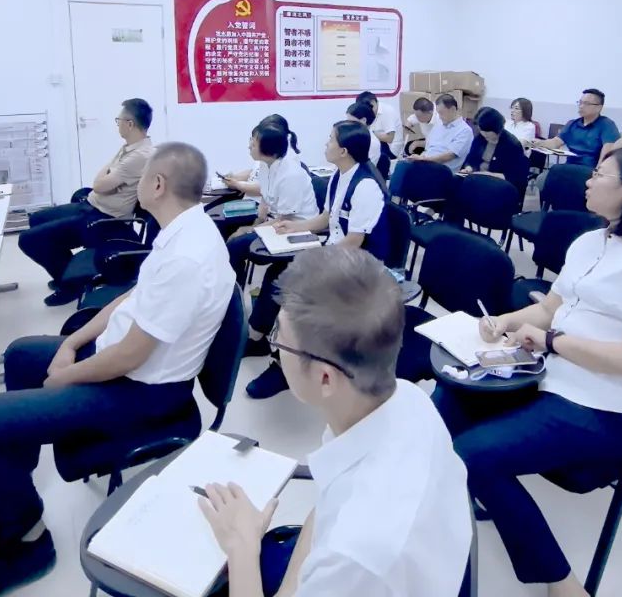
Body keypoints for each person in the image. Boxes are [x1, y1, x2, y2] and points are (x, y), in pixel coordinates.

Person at [0, 143, 236, 597]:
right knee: (20, 355)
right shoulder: (182, 230)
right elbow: (130, 299)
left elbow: (131, 356)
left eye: (142, 177)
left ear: (157, 185)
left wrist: (68, 374)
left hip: (142, 393)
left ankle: (28, 542)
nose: (137, 184)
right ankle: (8, 482)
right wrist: (72, 343)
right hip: (126, 364)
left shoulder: (187, 257)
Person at [433, 147, 622, 597]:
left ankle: (563, 584)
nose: (587, 181)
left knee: (475, 454)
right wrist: (503, 323)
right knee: (452, 395)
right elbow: (551, 308)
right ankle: (439, 503)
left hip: (617, 408)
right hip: (553, 377)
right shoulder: (590, 241)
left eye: (599, 174)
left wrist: (553, 342)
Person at [198, 246, 472, 597]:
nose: (275, 347)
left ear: (326, 378)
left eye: (279, 337)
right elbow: (329, 501)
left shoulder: (357, 555)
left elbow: (343, 549)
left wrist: (242, 547)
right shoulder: (406, 398)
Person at [243, 121, 389, 399]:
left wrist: (316, 259)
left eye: (330, 139)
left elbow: (355, 241)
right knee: (277, 274)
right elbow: (326, 218)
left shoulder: (366, 186)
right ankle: (258, 337)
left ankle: (284, 367)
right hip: (335, 250)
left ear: (343, 151)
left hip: (359, 264)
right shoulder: (339, 175)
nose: (326, 144)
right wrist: (294, 227)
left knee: (297, 294)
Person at [19, 98, 154, 306]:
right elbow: (102, 180)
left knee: (28, 240)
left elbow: (98, 184)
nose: (117, 124)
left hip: (105, 219)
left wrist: (105, 177)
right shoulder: (129, 148)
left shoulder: (140, 155)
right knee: (36, 220)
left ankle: (71, 285)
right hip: (92, 205)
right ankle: (68, 275)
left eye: (118, 120)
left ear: (130, 124)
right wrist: (106, 177)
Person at [227, 122, 318, 289]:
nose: (249, 146)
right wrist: (255, 225)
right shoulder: (266, 165)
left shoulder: (291, 175)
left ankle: (234, 294)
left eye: (254, 143)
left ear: (268, 149)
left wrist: (251, 230)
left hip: (296, 229)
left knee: (236, 245)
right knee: (233, 238)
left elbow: (286, 220)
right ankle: (233, 290)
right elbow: (265, 200)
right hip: (277, 222)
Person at [531, 88, 620, 168]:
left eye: (586, 104)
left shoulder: (607, 125)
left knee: (555, 170)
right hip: (570, 166)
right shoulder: (572, 124)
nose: (581, 106)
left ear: (599, 108)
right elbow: (555, 142)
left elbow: (607, 153)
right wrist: (539, 143)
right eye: (580, 102)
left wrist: (598, 172)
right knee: (543, 178)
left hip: (590, 169)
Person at [460, 106, 530, 196]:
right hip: (478, 178)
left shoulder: (512, 145)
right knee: (456, 183)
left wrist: (486, 175)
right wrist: (468, 169)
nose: (484, 134)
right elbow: (471, 159)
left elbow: (513, 177)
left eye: (487, 133)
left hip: (499, 184)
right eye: (481, 131)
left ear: (497, 129)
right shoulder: (480, 138)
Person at [407, 93, 474, 173]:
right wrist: (418, 158)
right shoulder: (439, 125)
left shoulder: (464, 131)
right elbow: (428, 149)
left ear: (452, 109)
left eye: (441, 113)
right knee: (402, 166)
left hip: (442, 171)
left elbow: (449, 156)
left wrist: (424, 160)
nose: (439, 116)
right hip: (426, 165)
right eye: (438, 113)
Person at [359, 90, 405, 162]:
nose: (369, 111)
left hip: (391, 149)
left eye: (371, 107)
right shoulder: (369, 111)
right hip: (380, 142)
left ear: (375, 102)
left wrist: (370, 133)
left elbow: (390, 138)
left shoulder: (387, 111)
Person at [346, 101, 382, 168]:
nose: (348, 125)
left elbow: (363, 168)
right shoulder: (353, 136)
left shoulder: (372, 143)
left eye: (351, 122)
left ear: (363, 120)